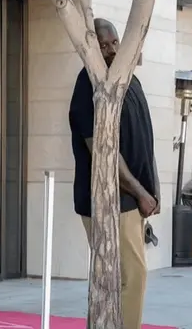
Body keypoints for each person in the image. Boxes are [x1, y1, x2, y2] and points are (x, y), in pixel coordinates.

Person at [69, 18, 160, 329]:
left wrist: (151, 190)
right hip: (113, 199)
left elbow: (142, 143)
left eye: (113, 43)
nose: (109, 51)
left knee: (115, 278)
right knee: (131, 277)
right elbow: (102, 153)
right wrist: (140, 192)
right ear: (90, 48)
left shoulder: (128, 81)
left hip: (132, 200)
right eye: (102, 45)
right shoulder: (88, 86)